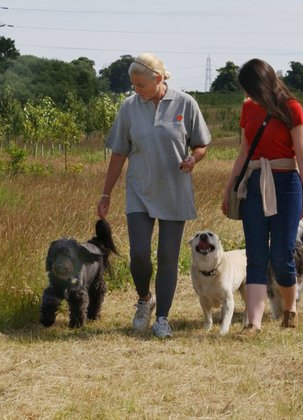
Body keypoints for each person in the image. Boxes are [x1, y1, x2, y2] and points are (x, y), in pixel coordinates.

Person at [97, 53, 211, 338]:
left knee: (168, 257)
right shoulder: (129, 108)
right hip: (139, 191)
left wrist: (194, 159)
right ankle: (144, 299)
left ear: (159, 79)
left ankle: (162, 318)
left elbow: (201, 145)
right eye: (133, 85)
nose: (136, 90)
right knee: (139, 254)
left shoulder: (186, 103)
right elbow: (119, 153)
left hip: (174, 191)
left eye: (141, 85)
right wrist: (105, 193)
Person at [222, 58, 303, 337]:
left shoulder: (292, 109)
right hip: (253, 184)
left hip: (287, 185)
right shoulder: (248, 108)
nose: (248, 94)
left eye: (250, 88)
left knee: (281, 254)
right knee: (255, 255)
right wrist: (229, 188)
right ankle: (253, 323)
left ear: (262, 84)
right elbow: (244, 151)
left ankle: (290, 308)